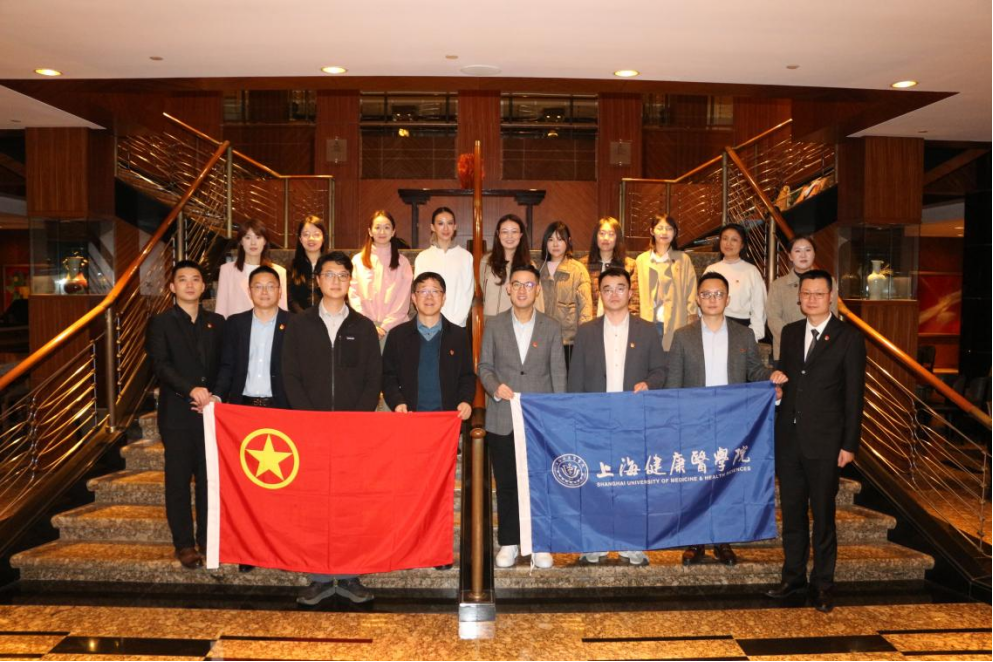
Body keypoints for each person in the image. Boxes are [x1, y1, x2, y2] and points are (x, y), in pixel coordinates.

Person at [665, 272, 788, 567]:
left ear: (728, 299)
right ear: (698, 299)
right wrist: (674, 423)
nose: (712, 299)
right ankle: (695, 541)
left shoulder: (744, 335)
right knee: (695, 483)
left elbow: (754, 371)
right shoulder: (683, 336)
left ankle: (723, 540)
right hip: (694, 423)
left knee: (727, 483)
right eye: (706, 294)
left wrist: (770, 378)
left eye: (718, 294)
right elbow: (673, 384)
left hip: (731, 424)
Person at [282, 251, 382, 605]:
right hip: (311, 430)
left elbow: (373, 378)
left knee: (350, 505)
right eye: (329, 274)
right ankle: (319, 577)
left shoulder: (363, 327)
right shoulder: (300, 324)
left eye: (342, 275)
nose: (336, 281)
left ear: (349, 281)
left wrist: (354, 421)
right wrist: (310, 419)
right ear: (317, 280)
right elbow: (290, 374)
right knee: (314, 505)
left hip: (352, 432)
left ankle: (351, 575)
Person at [765, 269, 865, 614]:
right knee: (792, 514)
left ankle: (823, 584)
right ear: (799, 297)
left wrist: (849, 445)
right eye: (806, 293)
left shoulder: (848, 338)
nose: (811, 299)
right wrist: (777, 389)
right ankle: (793, 577)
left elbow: (854, 396)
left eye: (818, 294)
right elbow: (789, 380)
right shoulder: (791, 333)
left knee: (823, 516)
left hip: (826, 443)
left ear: (831, 297)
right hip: (789, 440)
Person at [567, 266, 666, 566]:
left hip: (632, 419)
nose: (613, 294)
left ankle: (630, 542)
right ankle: (594, 542)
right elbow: (576, 378)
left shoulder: (647, 330)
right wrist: (577, 418)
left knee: (630, 482)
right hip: (594, 419)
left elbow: (660, 370)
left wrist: (648, 383)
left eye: (620, 288)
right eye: (607, 289)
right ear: (600, 294)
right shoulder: (586, 331)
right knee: (595, 483)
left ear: (630, 293)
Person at [478, 264, 566, 570]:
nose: (522, 290)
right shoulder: (494, 324)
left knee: (540, 483)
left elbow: (558, 373)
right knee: (506, 483)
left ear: (537, 290)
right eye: (517, 284)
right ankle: (510, 542)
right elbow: (484, 366)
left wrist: (557, 416)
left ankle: (540, 543)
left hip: (539, 420)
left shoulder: (551, 327)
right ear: (508, 289)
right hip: (502, 417)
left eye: (529, 285)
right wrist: (494, 387)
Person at [145, 260, 224, 570]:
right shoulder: (161, 323)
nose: (190, 284)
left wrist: (214, 395)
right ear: (172, 287)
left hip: (211, 413)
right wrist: (190, 390)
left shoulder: (217, 322)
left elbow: (225, 365)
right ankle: (184, 544)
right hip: (177, 414)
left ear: (203, 287)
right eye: (183, 279)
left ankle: (207, 539)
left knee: (208, 480)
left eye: (195, 279)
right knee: (178, 482)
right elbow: (160, 365)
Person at [383, 271, 476, 420]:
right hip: (409, 418)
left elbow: (467, 376)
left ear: (443, 298)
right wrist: (397, 402)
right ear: (414, 298)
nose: (429, 297)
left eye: (435, 291)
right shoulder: (397, 336)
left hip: (447, 420)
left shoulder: (458, 336)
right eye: (423, 291)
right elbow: (388, 376)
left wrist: (465, 401)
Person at [767, 235, 838, 363]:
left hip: (820, 348)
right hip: (788, 349)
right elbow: (773, 318)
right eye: (798, 251)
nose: (803, 255)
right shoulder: (778, 285)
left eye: (808, 250)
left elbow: (833, 313)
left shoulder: (829, 281)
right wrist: (797, 339)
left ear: (814, 254)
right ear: (790, 256)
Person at [635, 214, 698, 351]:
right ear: (652, 231)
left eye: (669, 228)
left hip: (676, 321)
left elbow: (691, 291)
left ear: (674, 232)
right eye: (660, 228)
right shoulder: (641, 260)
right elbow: (635, 293)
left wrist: (691, 317)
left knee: (672, 360)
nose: (664, 232)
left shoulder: (683, 259)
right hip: (648, 322)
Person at [349, 210, 413, 343]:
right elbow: (353, 296)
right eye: (377, 227)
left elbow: (403, 301)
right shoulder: (357, 261)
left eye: (387, 227)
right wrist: (369, 325)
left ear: (393, 231)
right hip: (364, 327)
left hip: (395, 327)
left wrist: (384, 327)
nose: (382, 232)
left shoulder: (403, 263)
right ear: (370, 231)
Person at [538, 221, 593, 367]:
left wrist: (585, 339)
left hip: (569, 341)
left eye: (560, 239)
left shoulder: (578, 270)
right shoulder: (538, 270)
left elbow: (586, 309)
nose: (555, 244)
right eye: (551, 239)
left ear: (568, 241)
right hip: (541, 339)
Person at [703, 223, 766, 342]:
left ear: (742, 245)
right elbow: (702, 301)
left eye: (734, 240)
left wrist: (753, 335)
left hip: (741, 328)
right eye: (725, 238)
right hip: (712, 327)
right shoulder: (711, 269)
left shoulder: (751, 271)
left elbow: (759, 307)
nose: (728, 243)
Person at [413, 207, 475, 327]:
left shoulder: (466, 257)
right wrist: (429, 318)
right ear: (432, 227)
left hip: (457, 324)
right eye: (440, 223)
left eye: (449, 223)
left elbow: (468, 293)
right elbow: (420, 292)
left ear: (455, 226)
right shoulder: (423, 257)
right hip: (429, 323)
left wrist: (456, 322)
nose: (446, 228)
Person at [214, 219, 288, 318]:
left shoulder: (279, 272)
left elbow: (282, 309)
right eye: (248, 237)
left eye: (258, 237)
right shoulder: (227, 270)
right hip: (236, 326)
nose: (253, 243)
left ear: (265, 241)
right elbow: (220, 310)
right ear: (241, 241)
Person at [479, 213, 545, 318]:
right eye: (505, 232)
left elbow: (537, 298)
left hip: (518, 319)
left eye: (514, 232)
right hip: (490, 319)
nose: (509, 236)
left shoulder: (529, 264)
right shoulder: (486, 261)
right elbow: (483, 288)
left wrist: (539, 322)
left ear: (521, 235)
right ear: (498, 234)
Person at [579, 216, 639, 317]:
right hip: (590, 322)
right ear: (596, 237)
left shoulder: (629, 265)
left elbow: (634, 302)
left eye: (611, 234)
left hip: (619, 321)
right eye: (602, 233)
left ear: (617, 238)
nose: (606, 238)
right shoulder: (582, 265)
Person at [287, 215, 328, 314]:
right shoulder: (292, 267)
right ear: (300, 239)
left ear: (323, 238)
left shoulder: (331, 265)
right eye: (306, 234)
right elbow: (290, 299)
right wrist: (304, 317)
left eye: (316, 234)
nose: (311, 238)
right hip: (299, 319)